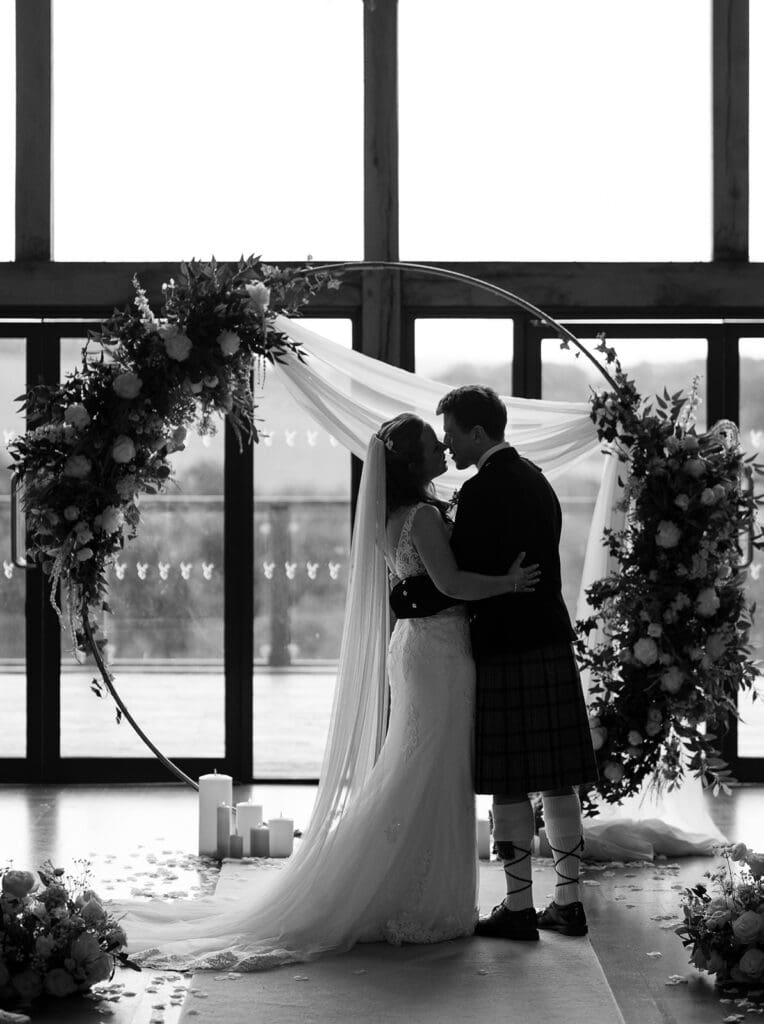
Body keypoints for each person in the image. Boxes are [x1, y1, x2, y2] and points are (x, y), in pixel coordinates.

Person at [112, 413, 539, 970]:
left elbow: (418, 585)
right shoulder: (426, 517)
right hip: (438, 654)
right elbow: (452, 584)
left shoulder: (396, 516)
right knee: (433, 769)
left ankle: (409, 887)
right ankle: (424, 901)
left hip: (417, 647)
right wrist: (508, 583)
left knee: (418, 767)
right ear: (412, 463)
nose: (443, 450)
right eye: (434, 445)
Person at [438, 385, 598, 942]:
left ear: (478, 433)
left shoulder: (481, 491)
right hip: (551, 638)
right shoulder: (537, 479)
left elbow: (462, 570)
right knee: (558, 778)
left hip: (506, 645)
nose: (447, 444)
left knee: (508, 783)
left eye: (453, 433)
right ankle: (570, 904)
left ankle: (518, 908)